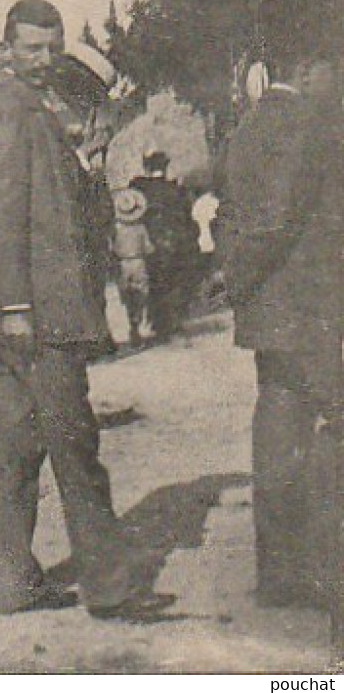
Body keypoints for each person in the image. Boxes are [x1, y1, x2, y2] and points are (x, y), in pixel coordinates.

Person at [0, 0, 169, 620]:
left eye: (51, 47)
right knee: (75, 444)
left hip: (34, 312)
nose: (43, 59)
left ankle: (12, 581)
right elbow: (0, 220)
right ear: (6, 48)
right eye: (30, 48)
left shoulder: (35, 110)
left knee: (19, 448)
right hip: (37, 314)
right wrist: (14, 306)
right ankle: (110, 583)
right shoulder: (11, 110)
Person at [218, 46, 344, 619]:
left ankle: (280, 575)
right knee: (324, 433)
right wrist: (238, 278)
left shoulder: (251, 124)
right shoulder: (301, 123)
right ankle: (320, 572)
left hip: (274, 312)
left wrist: (239, 282)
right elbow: (277, 218)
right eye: (330, 68)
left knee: (277, 433)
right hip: (308, 306)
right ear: (305, 67)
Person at [127, 150, 197, 337]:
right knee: (173, 280)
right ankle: (171, 321)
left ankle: (157, 322)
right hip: (174, 241)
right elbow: (187, 217)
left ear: (147, 167)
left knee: (155, 282)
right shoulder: (175, 189)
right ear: (165, 167)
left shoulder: (140, 187)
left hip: (149, 243)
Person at [111, 187, 154, 342]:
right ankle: (137, 322)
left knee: (127, 295)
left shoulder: (117, 229)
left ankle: (132, 324)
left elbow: (113, 249)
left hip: (123, 264)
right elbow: (148, 248)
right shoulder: (141, 228)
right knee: (140, 295)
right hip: (138, 262)